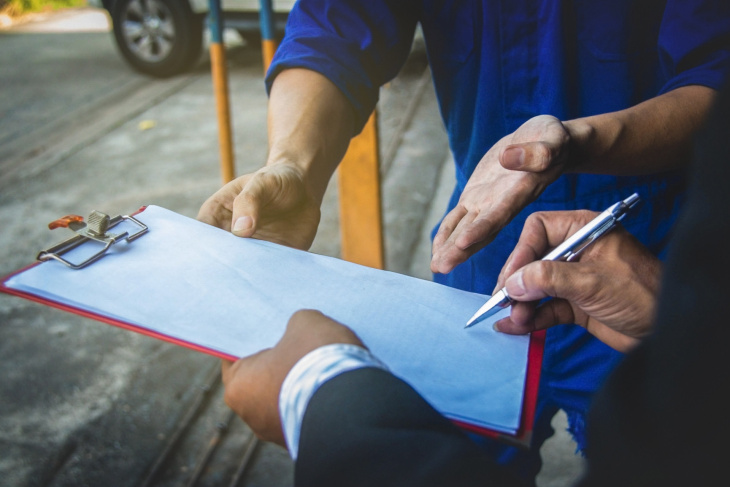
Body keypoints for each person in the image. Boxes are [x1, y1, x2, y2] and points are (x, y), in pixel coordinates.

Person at [199, 1, 730, 480]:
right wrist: (294, 163)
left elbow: (716, 73)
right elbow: (336, 26)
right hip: (478, 267)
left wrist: (319, 386)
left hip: (644, 271)